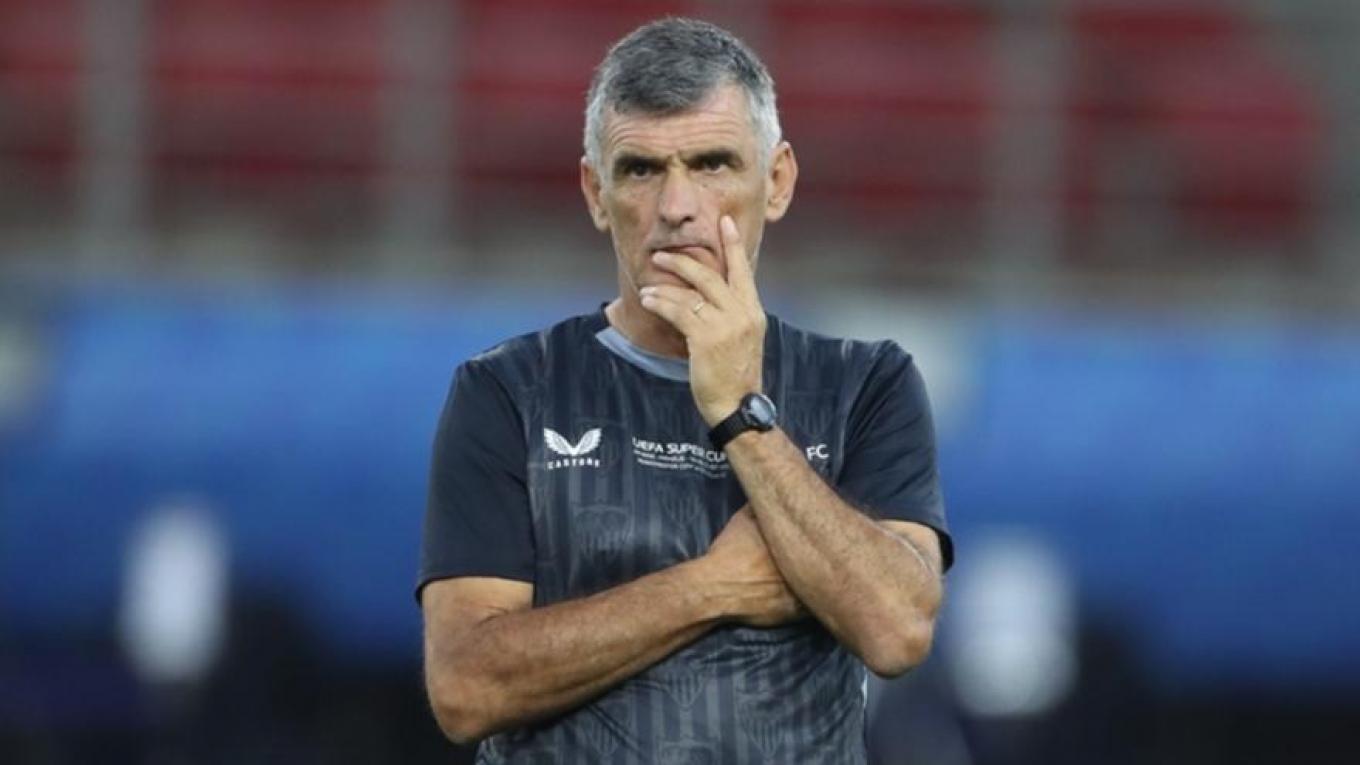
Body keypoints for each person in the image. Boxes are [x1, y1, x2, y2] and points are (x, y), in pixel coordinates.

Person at [417, 17, 952, 763]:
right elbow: (465, 687)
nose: (677, 207)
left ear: (777, 182)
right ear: (595, 193)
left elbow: (897, 629)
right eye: (641, 170)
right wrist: (712, 586)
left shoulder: (865, 385)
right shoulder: (509, 391)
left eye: (712, 164)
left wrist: (741, 415)